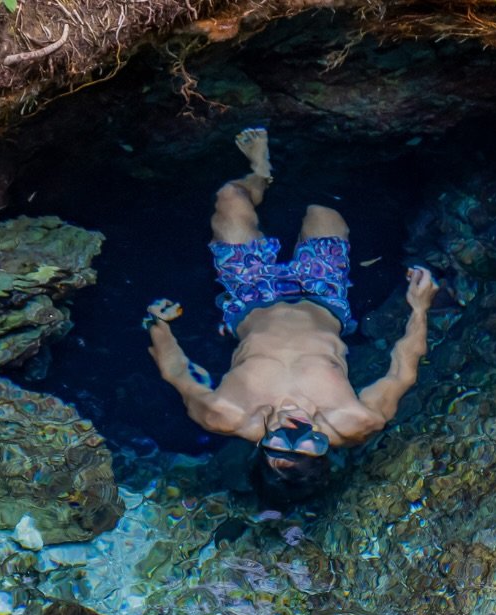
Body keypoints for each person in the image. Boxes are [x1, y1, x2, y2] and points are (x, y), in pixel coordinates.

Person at [144, 127, 438, 500]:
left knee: (230, 199)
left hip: (249, 296)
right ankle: (285, 178)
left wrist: (158, 324)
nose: (294, 428)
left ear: (260, 448)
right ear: (323, 448)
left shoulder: (224, 413)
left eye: (280, 442)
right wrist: (420, 307)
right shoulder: (356, 421)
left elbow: (177, 373)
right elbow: (403, 371)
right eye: (309, 443)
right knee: (323, 210)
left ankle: (259, 172)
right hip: (323, 296)